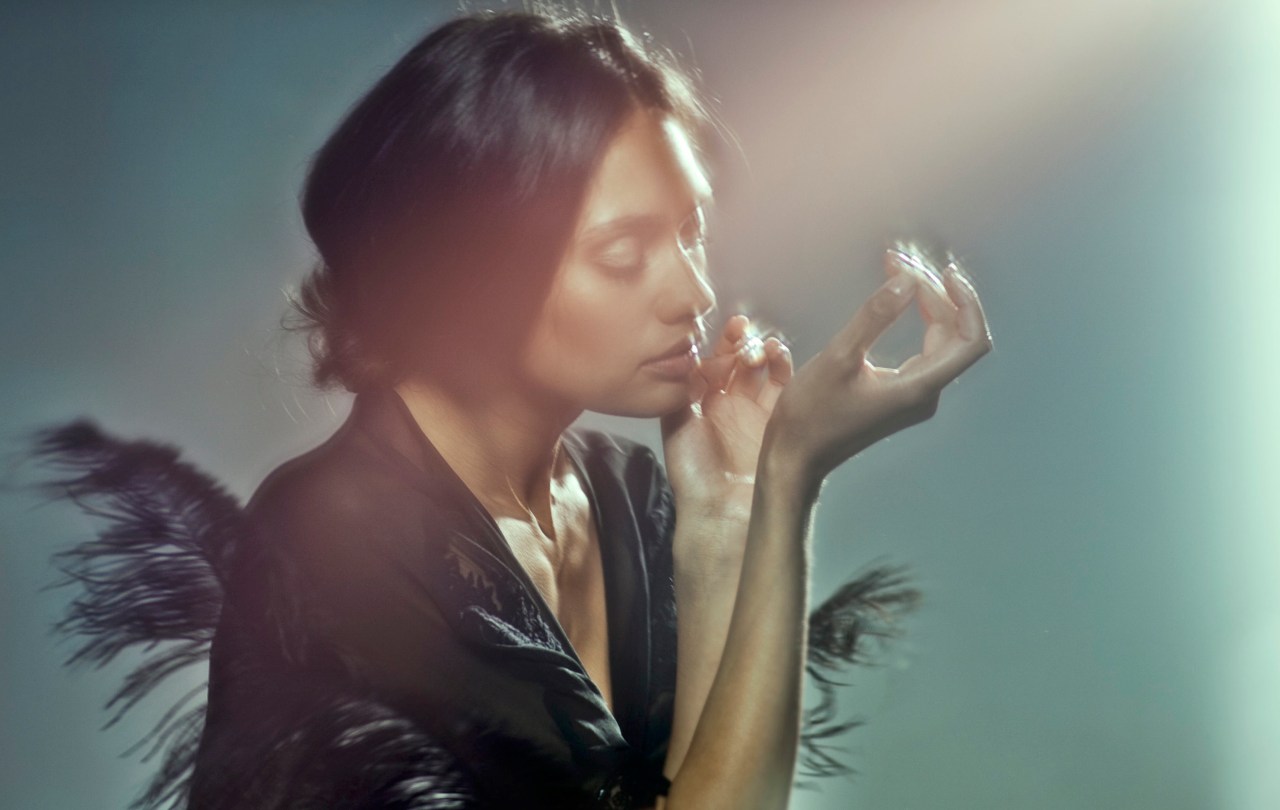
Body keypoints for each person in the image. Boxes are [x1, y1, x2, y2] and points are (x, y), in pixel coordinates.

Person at [26, 6, 990, 809]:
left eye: (692, 231)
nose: (693, 294)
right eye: (624, 254)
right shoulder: (337, 540)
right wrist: (788, 482)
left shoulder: (630, 494)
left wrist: (728, 510)